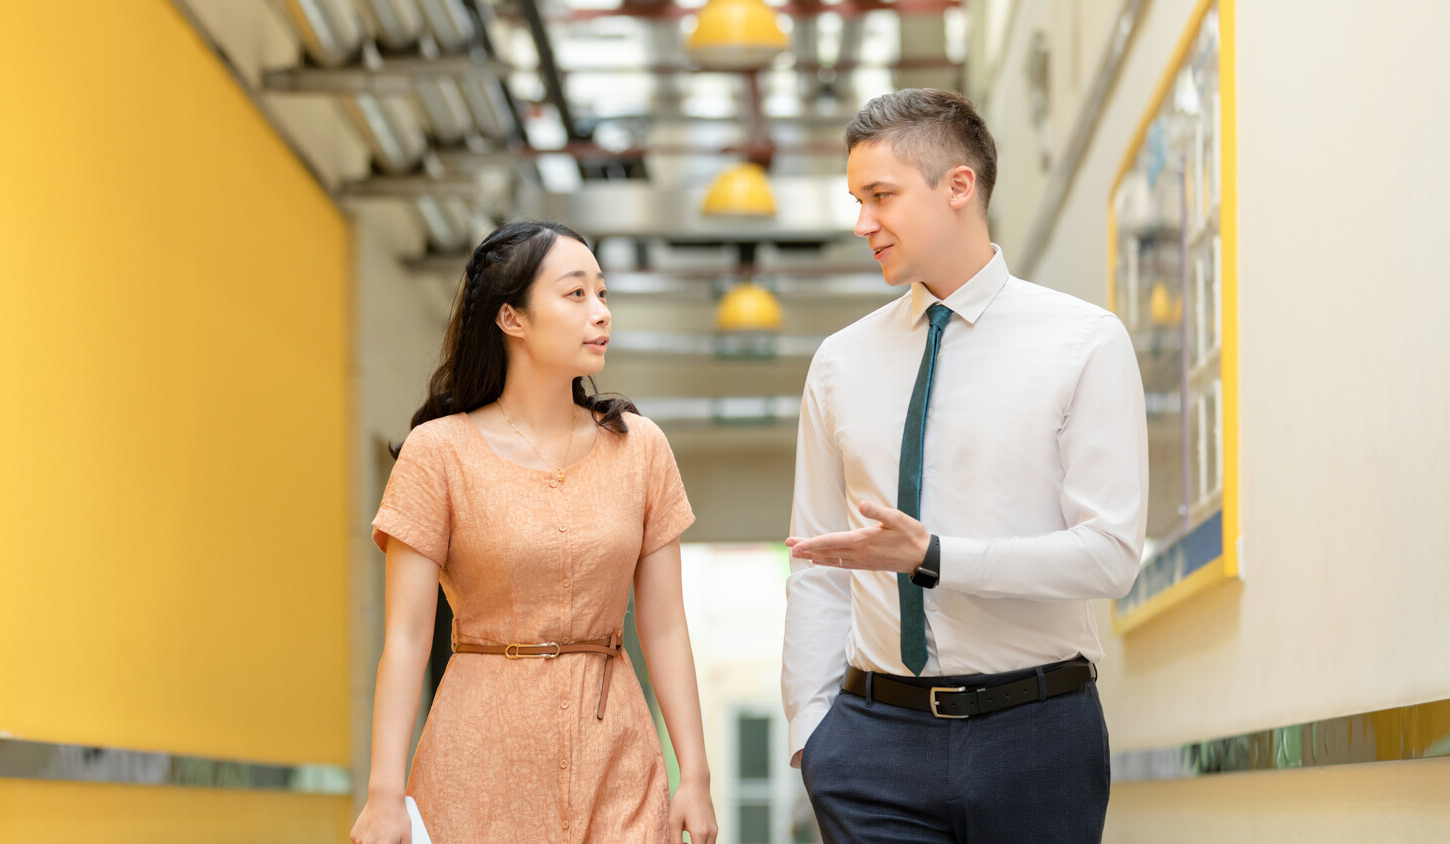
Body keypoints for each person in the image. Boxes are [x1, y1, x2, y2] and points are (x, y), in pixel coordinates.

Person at [781, 89, 1148, 842]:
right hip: (871, 744)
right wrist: (813, 730)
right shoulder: (839, 363)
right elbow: (817, 560)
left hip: (1037, 733)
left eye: (880, 195)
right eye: (856, 199)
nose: (862, 223)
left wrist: (936, 558)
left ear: (958, 186)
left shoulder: (1085, 342)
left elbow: (1109, 554)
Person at [351, 221, 718, 844]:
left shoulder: (640, 448)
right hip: (478, 757)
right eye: (576, 295)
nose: (600, 313)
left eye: (603, 294)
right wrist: (384, 795)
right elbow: (409, 640)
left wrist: (696, 777)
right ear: (511, 319)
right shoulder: (437, 453)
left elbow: (664, 627)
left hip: (618, 752)